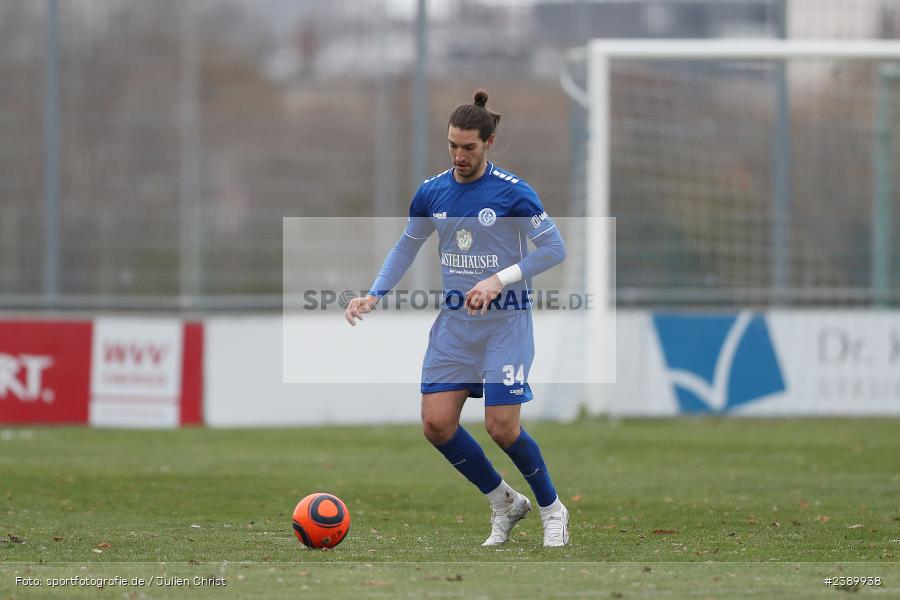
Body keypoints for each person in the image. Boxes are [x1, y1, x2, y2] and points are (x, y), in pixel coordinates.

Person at [344, 89, 569, 547]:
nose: (459, 155)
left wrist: (498, 280)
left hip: (505, 324)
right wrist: (375, 293)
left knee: (501, 427)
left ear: (488, 142)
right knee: (436, 424)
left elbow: (554, 248)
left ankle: (552, 510)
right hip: (456, 327)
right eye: (452, 145)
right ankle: (505, 503)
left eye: (468, 147)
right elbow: (407, 245)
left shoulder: (513, 192)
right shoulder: (432, 192)